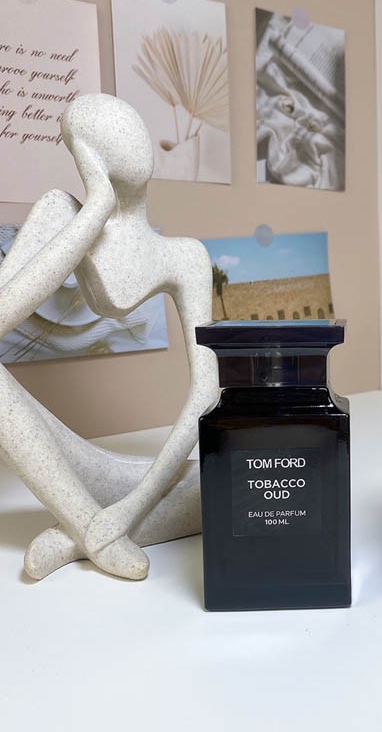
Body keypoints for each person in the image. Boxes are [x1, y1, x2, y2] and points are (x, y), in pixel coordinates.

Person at [0, 94, 220, 580]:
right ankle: (86, 526)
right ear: (86, 153)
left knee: (225, 488)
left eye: (130, 122)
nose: (131, 136)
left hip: (143, 477)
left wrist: (129, 508)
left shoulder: (185, 257)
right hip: (70, 459)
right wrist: (96, 209)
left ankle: (78, 537)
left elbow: (206, 394)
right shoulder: (63, 213)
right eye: (103, 130)